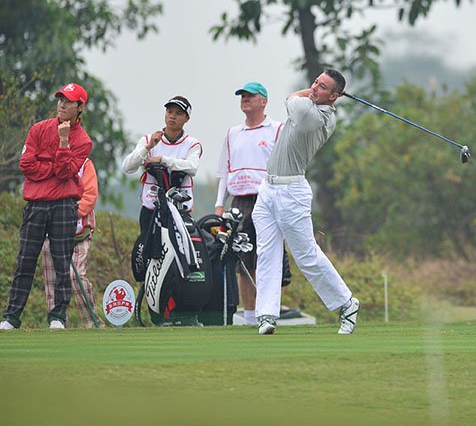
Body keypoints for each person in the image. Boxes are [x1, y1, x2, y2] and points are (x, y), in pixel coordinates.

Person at [252, 68, 359, 335]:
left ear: (334, 97)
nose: (314, 88)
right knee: (267, 252)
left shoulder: (315, 117)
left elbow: (291, 97)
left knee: (306, 256)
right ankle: (266, 315)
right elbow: (297, 97)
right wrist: (316, 91)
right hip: (268, 189)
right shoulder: (312, 105)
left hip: (291, 192)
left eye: (322, 87)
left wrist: (307, 93)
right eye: (315, 82)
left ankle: (346, 303)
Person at [1, 83, 93, 330]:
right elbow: (26, 165)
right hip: (36, 204)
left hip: (64, 205)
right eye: (60, 100)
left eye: (68, 101)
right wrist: (52, 169)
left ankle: (58, 316)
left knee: (61, 262)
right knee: (25, 260)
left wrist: (63, 142)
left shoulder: (83, 141)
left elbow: (65, 172)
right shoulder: (38, 129)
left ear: (80, 107)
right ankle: (11, 316)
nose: (62, 104)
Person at [214, 82, 286, 326]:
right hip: (240, 202)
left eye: (250, 96)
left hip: (269, 199)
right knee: (244, 261)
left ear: (263, 101)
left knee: (270, 258)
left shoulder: (277, 129)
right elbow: (225, 172)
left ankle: (269, 312)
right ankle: (249, 317)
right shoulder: (232, 133)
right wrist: (219, 205)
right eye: (242, 96)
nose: (245, 99)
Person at [122, 96, 202, 235]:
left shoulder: (192, 144)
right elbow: (128, 167)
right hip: (151, 209)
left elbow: (192, 167)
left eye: (178, 113)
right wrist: (148, 147)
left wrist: (162, 160)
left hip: (180, 211)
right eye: (169, 112)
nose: (172, 116)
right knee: (146, 247)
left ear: (187, 118)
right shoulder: (149, 139)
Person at [40, 157, 102, 328]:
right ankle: (57, 321)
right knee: (52, 279)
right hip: (51, 231)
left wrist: (66, 214)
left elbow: (90, 196)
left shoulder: (85, 164)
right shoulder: (47, 162)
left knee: (76, 276)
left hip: (80, 231)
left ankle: (91, 323)